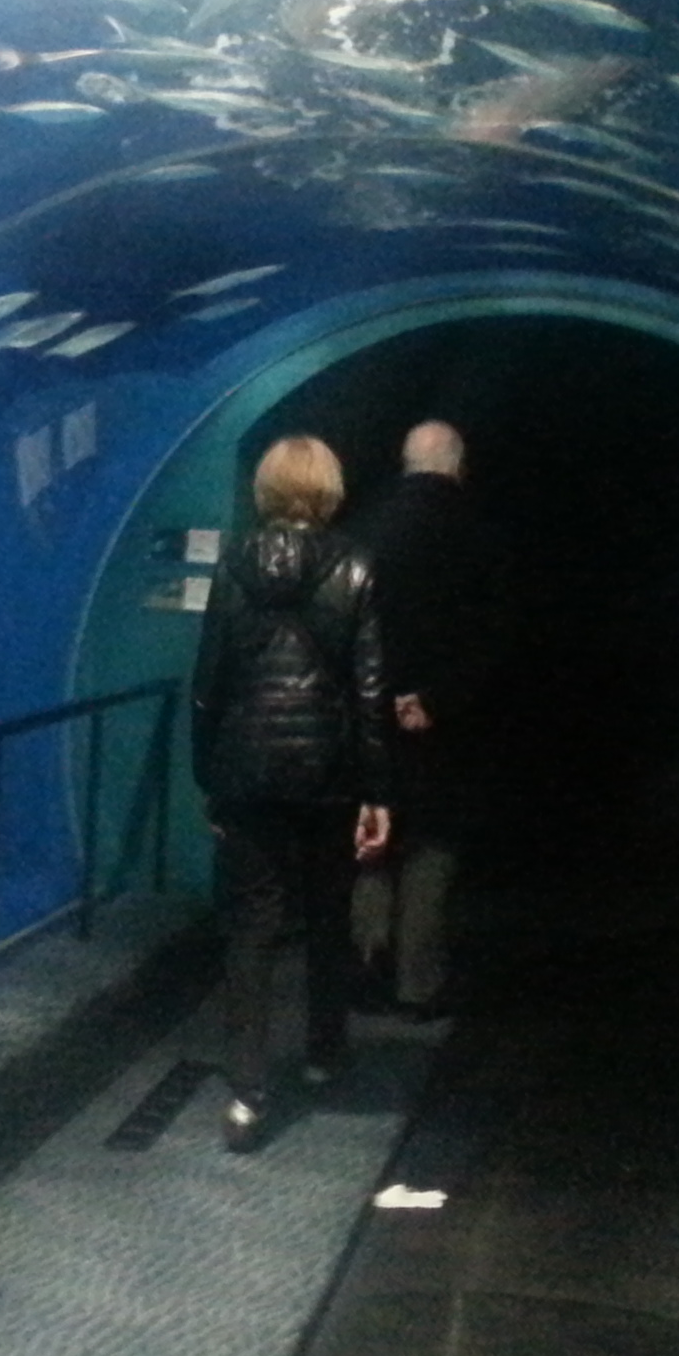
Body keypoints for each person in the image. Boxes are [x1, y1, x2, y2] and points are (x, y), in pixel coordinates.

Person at [191, 433, 391, 1152]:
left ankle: (247, 1093)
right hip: (329, 774)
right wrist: (378, 792)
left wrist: (208, 778)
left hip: (247, 773)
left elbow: (209, 685)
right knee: (328, 912)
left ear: (268, 490)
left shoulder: (233, 567)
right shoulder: (358, 565)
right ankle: (324, 1050)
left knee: (253, 926)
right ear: (330, 489)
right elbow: (370, 691)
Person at [349, 420, 499, 1018]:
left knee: (370, 842)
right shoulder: (480, 533)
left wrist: (378, 694)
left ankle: (366, 966)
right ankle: (418, 982)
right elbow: (494, 636)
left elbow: (350, 626)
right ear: (457, 464)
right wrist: (435, 698)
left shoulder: (366, 529)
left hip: (371, 714)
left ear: (404, 462)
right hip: (448, 724)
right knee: (432, 848)